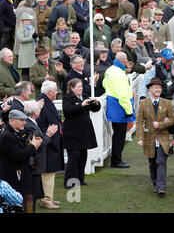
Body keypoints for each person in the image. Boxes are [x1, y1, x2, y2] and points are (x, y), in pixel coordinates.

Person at [136, 78, 174, 197]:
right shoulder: (143, 104)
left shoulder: (166, 103)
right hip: (149, 138)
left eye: (160, 88)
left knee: (161, 161)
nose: (158, 90)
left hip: (163, 137)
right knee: (152, 163)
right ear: (150, 89)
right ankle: (155, 183)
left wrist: (162, 124)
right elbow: (139, 122)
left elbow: (173, 119)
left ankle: (161, 187)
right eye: (156, 88)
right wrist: (140, 138)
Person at [0, 109, 42, 213]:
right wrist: (33, 146)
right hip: (14, 180)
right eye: (21, 120)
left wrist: (33, 146)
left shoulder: (18, 133)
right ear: (12, 121)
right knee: (19, 206)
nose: (24, 122)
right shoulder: (6, 136)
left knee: (29, 205)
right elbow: (19, 156)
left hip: (24, 177)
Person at [62, 78, 100, 188]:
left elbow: (94, 109)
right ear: (72, 88)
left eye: (81, 86)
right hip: (72, 133)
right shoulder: (67, 98)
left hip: (84, 132)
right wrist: (81, 105)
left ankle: (80, 179)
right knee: (74, 157)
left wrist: (96, 104)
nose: (81, 88)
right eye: (78, 87)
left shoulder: (84, 96)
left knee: (83, 156)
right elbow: (68, 111)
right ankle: (70, 182)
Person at [103, 52, 137, 168]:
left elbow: (104, 84)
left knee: (117, 135)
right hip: (120, 107)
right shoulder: (119, 74)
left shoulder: (110, 70)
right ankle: (116, 160)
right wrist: (129, 110)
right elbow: (123, 95)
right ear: (124, 61)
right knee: (119, 136)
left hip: (113, 105)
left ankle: (116, 159)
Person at [36, 80, 64, 209]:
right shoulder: (41, 104)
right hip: (47, 144)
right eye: (55, 90)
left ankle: (48, 197)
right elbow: (41, 125)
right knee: (47, 173)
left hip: (51, 142)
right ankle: (46, 200)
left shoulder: (46, 102)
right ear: (49, 92)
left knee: (50, 173)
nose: (57, 92)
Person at [15, 12, 38, 80]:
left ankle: (32, 85)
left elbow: (36, 38)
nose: (28, 21)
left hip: (32, 51)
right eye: (26, 20)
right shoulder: (20, 28)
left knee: (32, 69)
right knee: (25, 70)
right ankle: (24, 84)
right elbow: (21, 39)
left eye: (29, 20)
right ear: (23, 20)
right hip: (25, 52)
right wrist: (32, 38)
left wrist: (36, 37)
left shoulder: (32, 28)